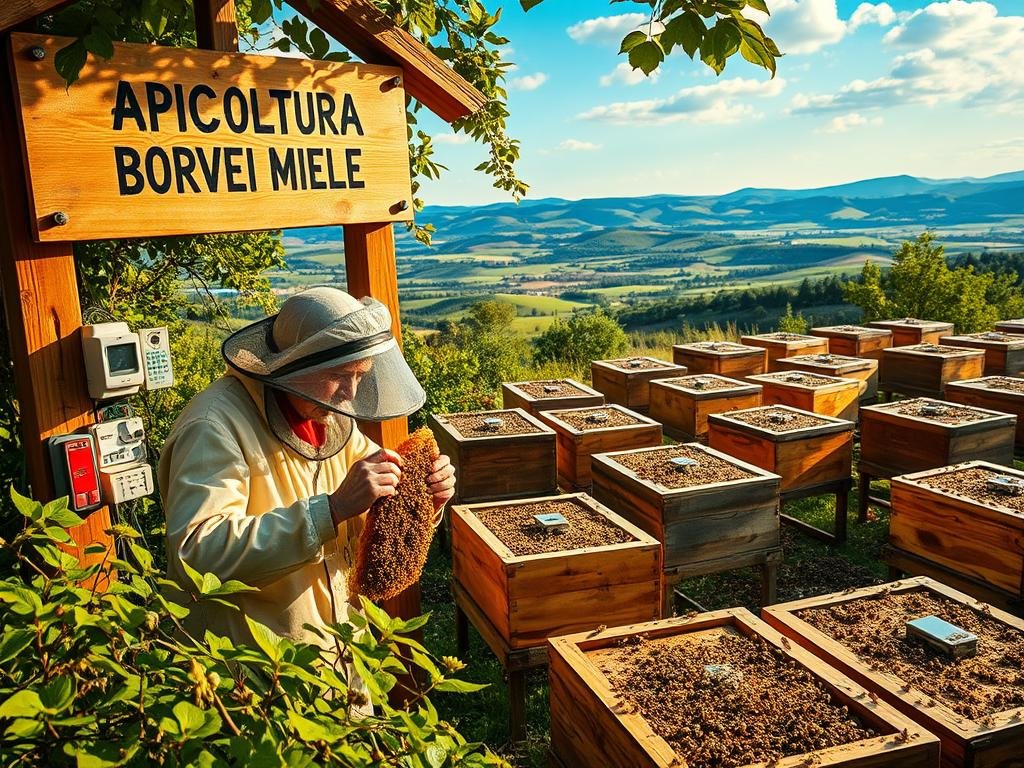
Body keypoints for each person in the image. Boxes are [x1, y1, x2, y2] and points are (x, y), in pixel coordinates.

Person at [158, 287, 455, 663]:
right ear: (292, 367)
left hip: (339, 660)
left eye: (360, 376)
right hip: (255, 679)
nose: (349, 393)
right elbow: (196, 553)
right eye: (339, 375)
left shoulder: (326, 415)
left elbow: (374, 518)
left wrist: (425, 499)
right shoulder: (212, 427)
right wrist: (330, 510)